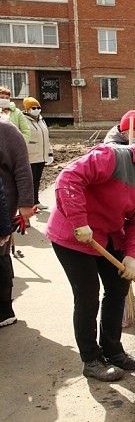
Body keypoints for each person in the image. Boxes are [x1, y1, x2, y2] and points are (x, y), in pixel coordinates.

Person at [45, 127, 135, 381]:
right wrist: (79, 221)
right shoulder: (111, 157)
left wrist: (131, 256)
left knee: (118, 287)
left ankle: (114, 351)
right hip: (74, 235)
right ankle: (91, 359)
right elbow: (68, 178)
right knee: (87, 296)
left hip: (106, 235)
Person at [0, 118, 34, 327]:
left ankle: (4, 310)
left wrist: (26, 204)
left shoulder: (7, 131)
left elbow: (22, 168)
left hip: (3, 204)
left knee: (1, 254)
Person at [22, 97, 54, 210]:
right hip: (30, 156)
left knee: (37, 180)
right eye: (33, 108)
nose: (36, 109)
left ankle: (36, 201)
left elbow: (46, 138)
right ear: (27, 109)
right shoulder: (23, 120)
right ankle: (27, 205)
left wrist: (50, 153)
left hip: (41, 155)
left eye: (38, 107)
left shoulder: (41, 119)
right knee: (28, 182)